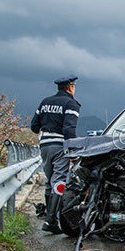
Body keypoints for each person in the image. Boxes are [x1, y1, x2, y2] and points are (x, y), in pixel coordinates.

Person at [30, 75, 81, 234]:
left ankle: (50, 217)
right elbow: (68, 130)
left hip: (44, 145)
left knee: (49, 181)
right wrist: (72, 152)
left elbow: (34, 126)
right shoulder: (71, 103)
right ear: (71, 87)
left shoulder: (45, 102)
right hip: (59, 146)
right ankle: (51, 220)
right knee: (59, 181)